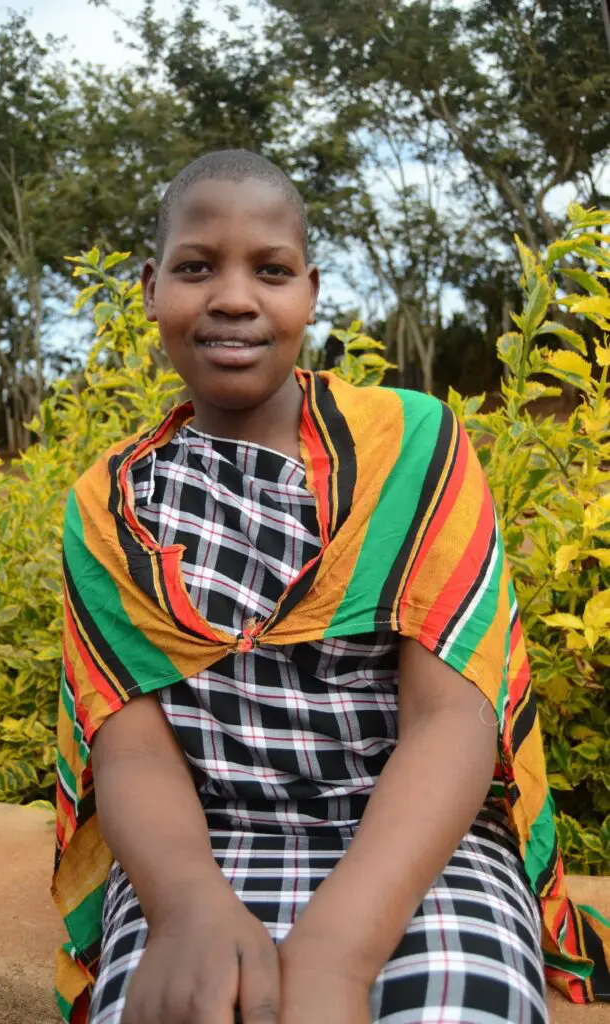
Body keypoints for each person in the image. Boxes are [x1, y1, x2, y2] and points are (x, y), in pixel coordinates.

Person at [52, 150, 610, 1024]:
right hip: (198, 850)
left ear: (310, 293)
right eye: (196, 268)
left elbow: (452, 718)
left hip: (421, 845)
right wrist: (187, 909)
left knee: (465, 1006)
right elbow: (132, 750)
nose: (234, 298)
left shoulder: (414, 448)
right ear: (151, 289)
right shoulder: (113, 505)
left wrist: (338, 951)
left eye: (270, 271)